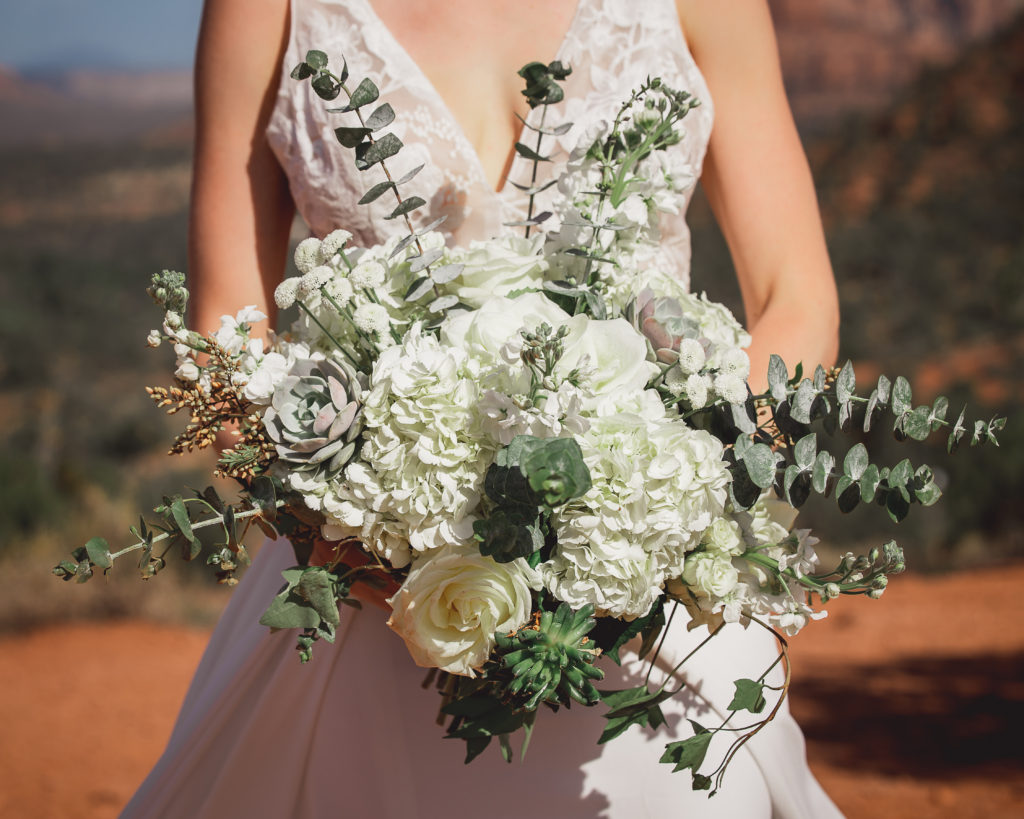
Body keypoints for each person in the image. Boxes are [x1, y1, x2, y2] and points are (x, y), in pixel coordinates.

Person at [122, 0, 842, 816]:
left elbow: (796, 296)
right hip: (364, 604)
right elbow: (227, 342)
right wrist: (373, 542)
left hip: (660, 611)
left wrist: (681, 493)